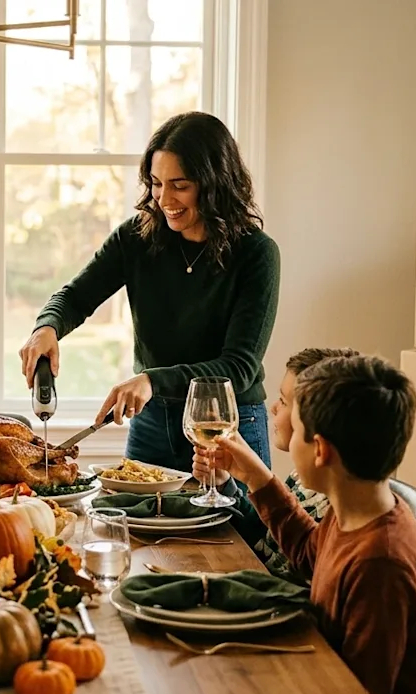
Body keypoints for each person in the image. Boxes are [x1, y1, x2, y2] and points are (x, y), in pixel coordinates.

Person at [19, 111, 279, 542]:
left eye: (180, 185)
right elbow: (75, 296)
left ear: (215, 184)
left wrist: (151, 380)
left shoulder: (257, 255)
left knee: (237, 549)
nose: (164, 198)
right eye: (157, 183)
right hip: (153, 425)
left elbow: (239, 367)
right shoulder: (137, 239)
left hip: (227, 429)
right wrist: (46, 328)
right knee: (138, 544)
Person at [203, 355, 416, 694]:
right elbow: (309, 553)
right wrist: (258, 479)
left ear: (320, 449)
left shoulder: (382, 563)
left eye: (299, 429)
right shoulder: (357, 509)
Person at [193, 347, 358, 583]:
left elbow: (289, 576)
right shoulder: (306, 481)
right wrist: (230, 483)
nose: (273, 408)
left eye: (283, 401)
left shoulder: (337, 509)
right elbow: (268, 541)